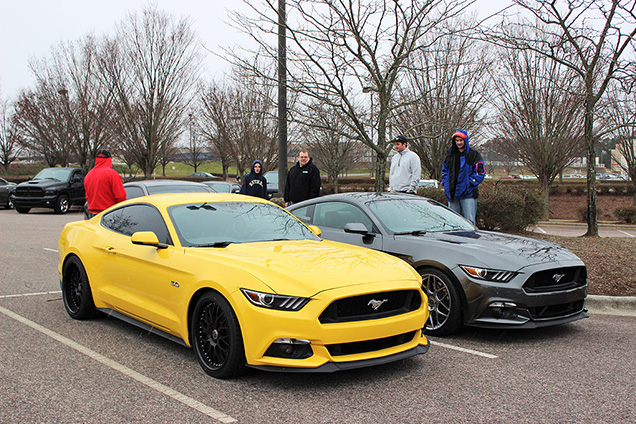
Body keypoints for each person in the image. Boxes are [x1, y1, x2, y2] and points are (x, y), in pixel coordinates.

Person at [441, 130, 486, 224]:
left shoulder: (474, 154)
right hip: (452, 193)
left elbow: (480, 173)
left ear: (465, 140)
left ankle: (470, 238)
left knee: (469, 222)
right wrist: (445, 183)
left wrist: (469, 183)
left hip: (468, 194)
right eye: (457, 140)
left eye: (461, 140)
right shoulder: (450, 154)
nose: (459, 143)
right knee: (453, 222)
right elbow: (444, 170)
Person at [84, 150, 127, 218]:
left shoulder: (88, 175)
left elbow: (87, 196)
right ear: (109, 160)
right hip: (109, 213)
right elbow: (120, 196)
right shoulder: (112, 174)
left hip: (92, 214)